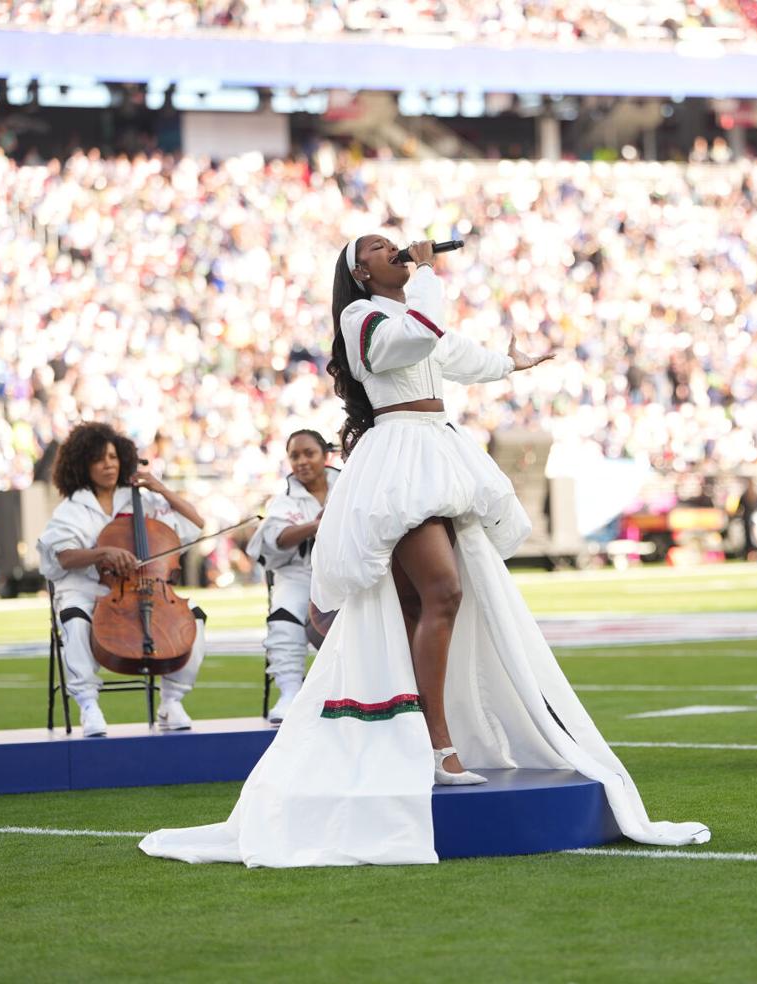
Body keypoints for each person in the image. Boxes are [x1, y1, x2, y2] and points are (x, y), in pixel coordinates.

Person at [140, 234, 709, 867]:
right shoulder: (362, 317)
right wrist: (430, 277)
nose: (399, 251)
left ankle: (419, 734)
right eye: (383, 248)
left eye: (398, 246)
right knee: (445, 592)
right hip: (400, 458)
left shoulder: (408, 313)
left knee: (422, 605)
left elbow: (450, 351)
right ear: (361, 270)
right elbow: (413, 338)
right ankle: (437, 742)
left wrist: (512, 363)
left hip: (434, 446)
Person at [36, 423, 209, 737]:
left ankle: (172, 700)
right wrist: (101, 553)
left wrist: (161, 488)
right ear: (82, 465)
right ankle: (88, 705)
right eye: (99, 459)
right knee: (74, 619)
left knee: (194, 618)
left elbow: (195, 525)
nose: (109, 465)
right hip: (85, 589)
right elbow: (63, 557)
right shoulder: (71, 510)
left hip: (146, 588)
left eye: (114, 457)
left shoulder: (142, 499)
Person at [247, 430, 339, 725]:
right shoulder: (283, 499)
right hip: (298, 574)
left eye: (308, 453)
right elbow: (279, 538)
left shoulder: (348, 483)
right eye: (295, 456)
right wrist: (316, 525)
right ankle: (289, 692)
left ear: (325, 456)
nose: (301, 461)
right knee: (284, 613)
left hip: (343, 573)